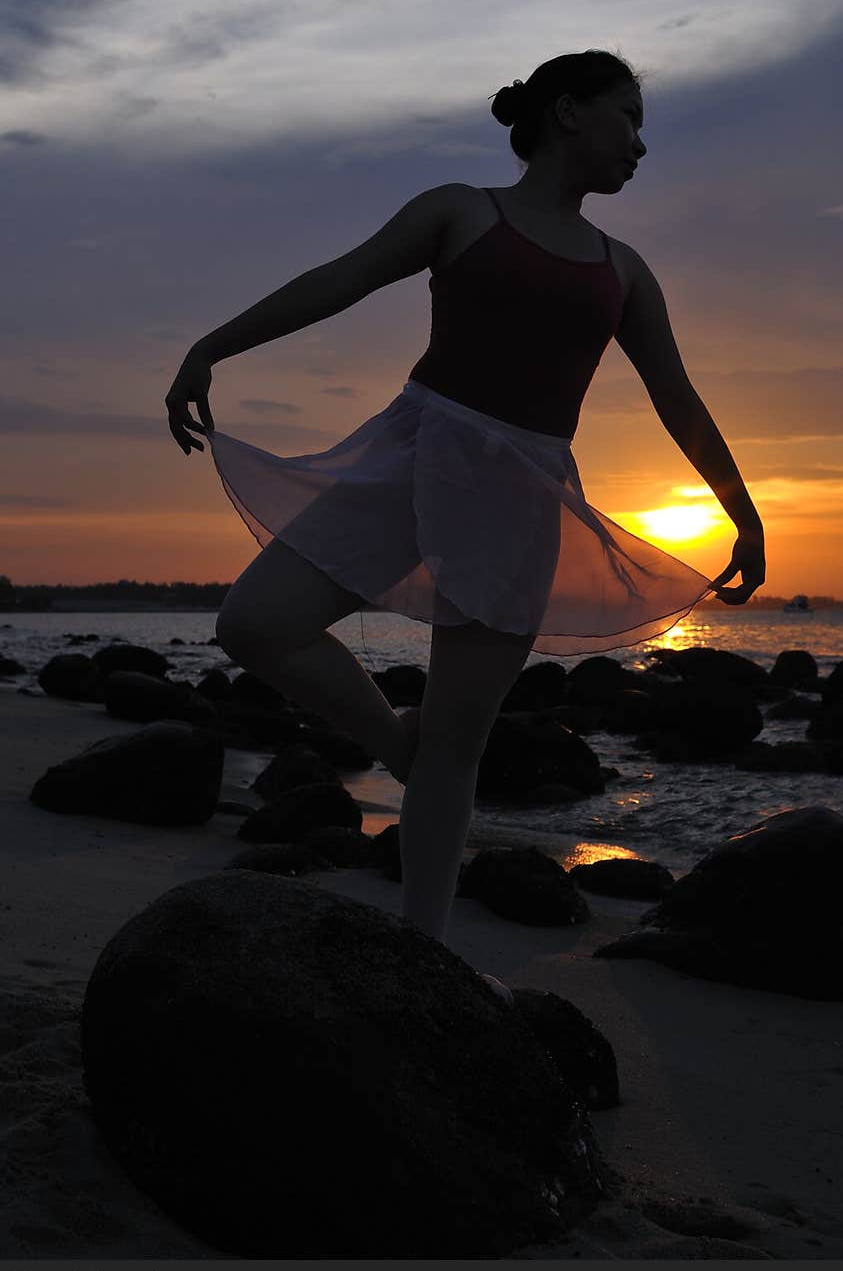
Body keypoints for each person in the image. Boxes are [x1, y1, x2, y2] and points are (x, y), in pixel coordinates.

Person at [163, 49, 766, 984]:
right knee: (256, 622)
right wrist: (211, 345)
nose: (641, 144)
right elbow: (342, 278)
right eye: (629, 118)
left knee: (463, 744)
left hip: (523, 494)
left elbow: (677, 400)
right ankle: (403, 750)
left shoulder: (624, 268)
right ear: (569, 113)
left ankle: (423, 954)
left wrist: (745, 514)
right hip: (415, 453)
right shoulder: (461, 211)